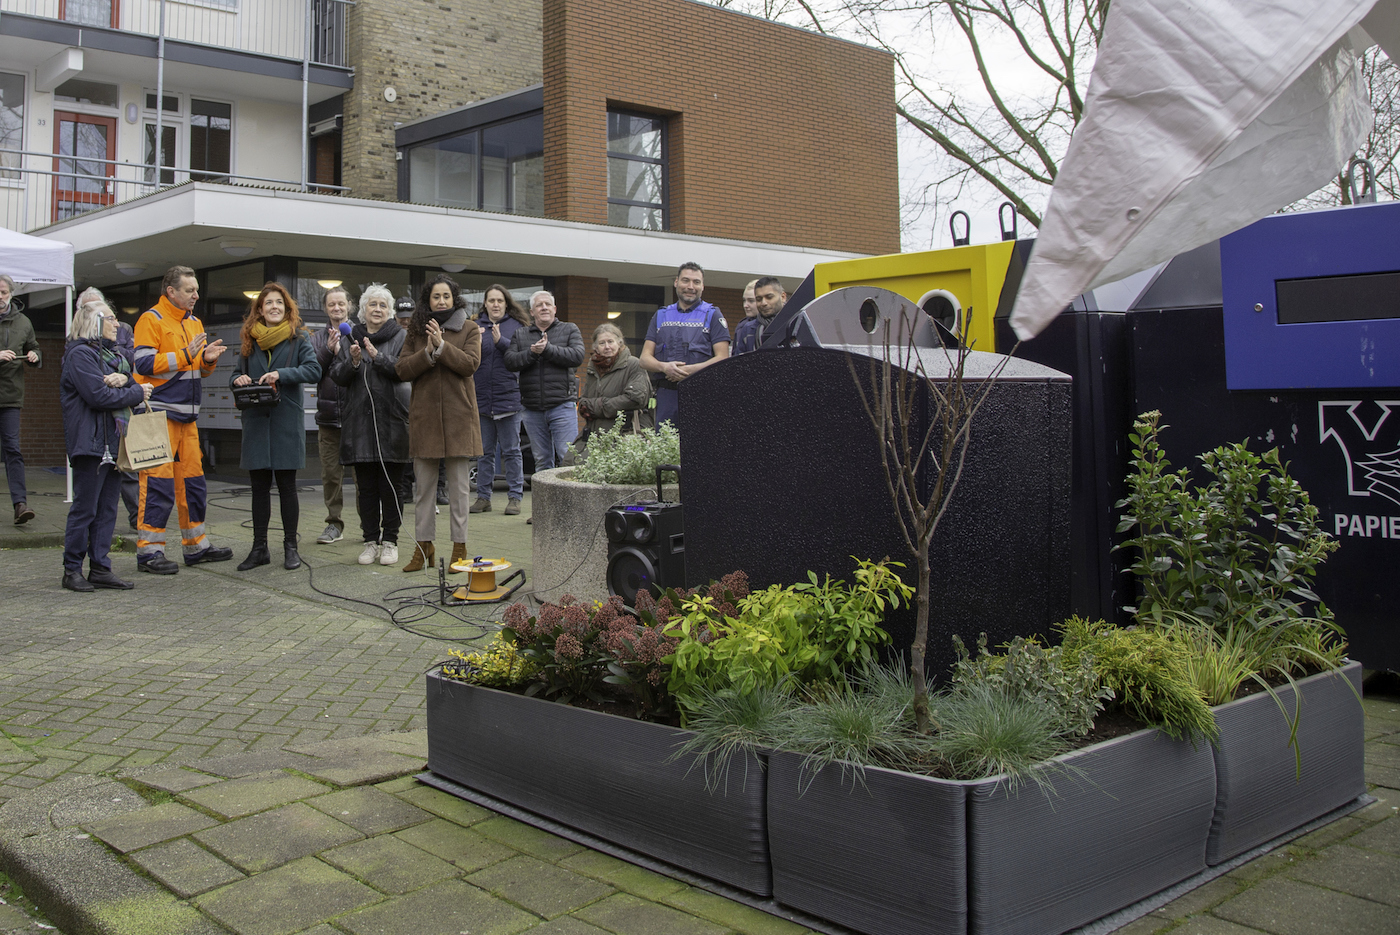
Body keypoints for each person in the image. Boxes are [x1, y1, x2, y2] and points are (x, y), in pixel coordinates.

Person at [133, 266, 233, 573]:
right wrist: (186, 355)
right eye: (190, 290)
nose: (196, 295)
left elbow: (196, 369)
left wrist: (207, 360)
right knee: (157, 484)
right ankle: (149, 552)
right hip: (158, 415)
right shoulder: (151, 319)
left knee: (193, 483)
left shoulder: (194, 322)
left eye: (197, 290)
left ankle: (196, 545)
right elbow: (144, 362)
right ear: (170, 291)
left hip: (187, 417)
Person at [59, 300, 151, 592]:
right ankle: (72, 570)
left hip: (113, 443)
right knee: (85, 509)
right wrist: (135, 390)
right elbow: (98, 397)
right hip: (90, 444)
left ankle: (100, 567)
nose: (117, 324)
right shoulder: (79, 356)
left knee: (107, 510)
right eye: (111, 319)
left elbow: (125, 385)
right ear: (94, 322)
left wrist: (125, 381)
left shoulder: (113, 357)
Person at [230, 283, 320, 571]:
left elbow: (314, 370)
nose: (274, 307)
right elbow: (235, 373)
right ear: (260, 309)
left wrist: (281, 374)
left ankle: (290, 547)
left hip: (284, 423)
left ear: (287, 308)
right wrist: (238, 380)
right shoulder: (249, 342)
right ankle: (259, 549)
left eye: (279, 303)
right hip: (256, 422)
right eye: (268, 303)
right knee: (258, 488)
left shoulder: (298, 339)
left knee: (287, 487)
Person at [395, 275, 482, 572]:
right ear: (428, 300)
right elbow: (402, 369)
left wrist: (443, 346)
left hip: (460, 418)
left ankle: (460, 548)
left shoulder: (470, 328)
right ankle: (423, 546)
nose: (441, 301)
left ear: (454, 299)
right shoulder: (416, 330)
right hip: (425, 419)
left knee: (459, 490)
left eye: (446, 296)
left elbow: (470, 364)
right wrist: (429, 352)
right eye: (436, 296)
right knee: (424, 491)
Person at [329, 284, 410, 566]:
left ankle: (391, 540)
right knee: (366, 488)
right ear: (363, 310)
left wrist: (378, 358)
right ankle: (370, 541)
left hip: (392, 422)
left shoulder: (401, 336)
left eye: (383, 305)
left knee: (392, 486)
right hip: (359, 423)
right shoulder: (349, 338)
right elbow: (337, 376)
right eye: (372, 304)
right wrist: (352, 362)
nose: (377, 309)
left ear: (389, 311)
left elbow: (404, 371)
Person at [505, 290, 585, 480]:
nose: (544, 308)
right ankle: (545, 506)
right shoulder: (521, 334)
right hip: (531, 408)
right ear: (532, 312)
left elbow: (577, 356)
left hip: (562, 405)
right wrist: (532, 353)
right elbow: (510, 361)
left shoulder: (569, 329)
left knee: (568, 457)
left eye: (547, 304)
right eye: (539, 305)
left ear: (555, 309)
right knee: (541, 460)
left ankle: (571, 504)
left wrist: (548, 349)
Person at [639, 262, 729, 425]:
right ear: (676, 282)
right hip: (666, 395)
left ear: (703, 286)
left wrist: (688, 371)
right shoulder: (661, 315)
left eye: (696, 282)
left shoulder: (713, 315)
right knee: (665, 446)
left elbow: (722, 358)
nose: (690, 286)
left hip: (701, 394)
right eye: (685, 280)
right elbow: (644, 359)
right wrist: (664, 367)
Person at [471, 285, 529, 516]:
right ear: (485, 303)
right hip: (482, 400)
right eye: (491, 300)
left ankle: (515, 498)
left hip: (509, 400)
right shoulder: (474, 327)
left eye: (500, 301)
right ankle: (483, 498)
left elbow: (524, 358)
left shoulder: (517, 327)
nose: (495, 304)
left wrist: (501, 342)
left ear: (506, 304)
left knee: (512, 451)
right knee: (484, 452)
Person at [310, 286, 350, 545]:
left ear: (349, 306)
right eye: (332, 305)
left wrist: (343, 353)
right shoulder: (315, 338)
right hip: (327, 419)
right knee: (331, 476)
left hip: (356, 418)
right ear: (326, 308)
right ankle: (334, 524)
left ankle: (371, 528)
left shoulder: (358, 333)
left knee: (364, 477)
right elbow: (312, 370)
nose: (336, 309)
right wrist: (328, 350)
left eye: (341, 304)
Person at [0, 274, 40, 525]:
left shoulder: (23, 322)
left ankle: (20, 505)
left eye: (3, 292)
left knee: (13, 450)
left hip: (11, 396)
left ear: (11, 294)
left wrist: (35, 355)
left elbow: (33, 346)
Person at [576, 322, 652, 456]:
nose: (607, 347)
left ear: (619, 343)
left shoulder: (634, 364)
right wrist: (587, 405)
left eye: (610, 342)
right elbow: (584, 402)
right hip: (595, 434)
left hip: (626, 433)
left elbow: (635, 398)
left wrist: (599, 406)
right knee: (571, 462)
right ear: (595, 347)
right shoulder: (593, 367)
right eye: (602, 343)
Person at [732, 276, 788, 356]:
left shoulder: (795, 323)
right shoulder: (748, 329)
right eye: (758, 299)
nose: (763, 303)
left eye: (769, 297)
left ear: (783, 297)